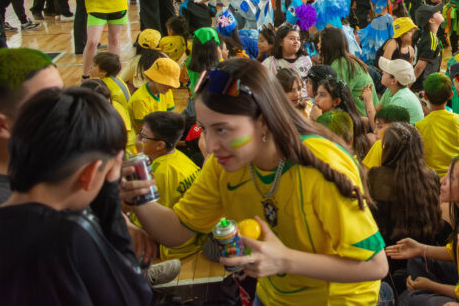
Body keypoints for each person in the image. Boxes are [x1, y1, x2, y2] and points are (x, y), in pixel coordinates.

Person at [121, 58, 388, 305]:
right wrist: (138, 199)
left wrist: (286, 260)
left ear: (263, 121)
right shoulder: (223, 165)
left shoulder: (319, 166)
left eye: (223, 129)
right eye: (205, 129)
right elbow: (178, 230)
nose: (210, 146)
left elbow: (375, 266)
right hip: (272, 295)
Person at [0, 87, 152, 305]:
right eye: (107, 173)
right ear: (89, 175)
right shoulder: (70, 234)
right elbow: (135, 297)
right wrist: (108, 199)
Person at [386, 155, 459, 305]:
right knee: (416, 260)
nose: (442, 180)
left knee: (408, 298)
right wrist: (420, 249)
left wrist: (431, 286)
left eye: (451, 177)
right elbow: (455, 251)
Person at [0, 48, 65, 205]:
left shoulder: (44, 162)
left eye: (63, 95)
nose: (66, 108)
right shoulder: (1, 206)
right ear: (0, 125)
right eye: (47, 104)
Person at [138, 111, 203, 259]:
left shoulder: (161, 173)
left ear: (160, 145)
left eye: (143, 136)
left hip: (178, 243)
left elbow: (155, 221)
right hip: (197, 232)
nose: (139, 139)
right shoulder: (180, 156)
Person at [366, 121, 441, 247]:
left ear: (389, 149)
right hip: (423, 247)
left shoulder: (375, 176)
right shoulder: (432, 177)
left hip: (386, 247)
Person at [415, 73, 459, 177]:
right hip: (454, 176)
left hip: (429, 179)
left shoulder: (419, 126)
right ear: (451, 95)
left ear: (425, 96)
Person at [378, 56, 424, 124]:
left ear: (394, 81)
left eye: (386, 72)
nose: (382, 72)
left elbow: (383, 126)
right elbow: (378, 111)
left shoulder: (401, 100)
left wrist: (368, 101)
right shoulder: (390, 90)